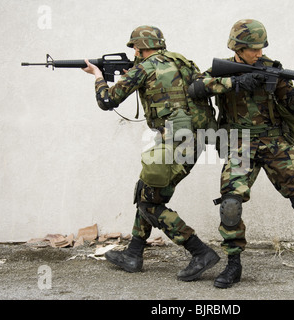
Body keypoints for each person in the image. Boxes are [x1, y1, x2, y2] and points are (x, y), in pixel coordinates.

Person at [188, 19, 294, 288]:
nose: (258, 53)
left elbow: (293, 108)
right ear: (237, 47)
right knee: (230, 204)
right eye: (253, 49)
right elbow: (195, 88)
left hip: (274, 141)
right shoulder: (219, 69)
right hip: (239, 142)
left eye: (261, 48)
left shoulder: (274, 70)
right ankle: (234, 263)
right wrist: (235, 84)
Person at [82, 25, 220, 281]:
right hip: (197, 139)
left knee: (149, 201)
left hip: (175, 143)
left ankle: (199, 251)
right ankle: (134, 254)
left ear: (138, 47)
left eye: (134, 48)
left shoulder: (143, 68)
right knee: (146, 189)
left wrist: (97, 75)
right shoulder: (184, 62)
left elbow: (107, 101)